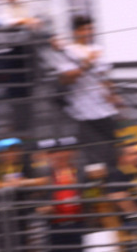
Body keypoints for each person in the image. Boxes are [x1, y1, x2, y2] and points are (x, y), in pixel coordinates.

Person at [52, 14, 121, 163]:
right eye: (85, 29)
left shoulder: (97, 49)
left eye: (91, 28)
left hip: (105, 109)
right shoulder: (68, 51)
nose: (89, 32)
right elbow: (66, 78)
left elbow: (104, 77)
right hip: (84, 111)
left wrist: (114, 96)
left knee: (112, 150)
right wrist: (87, 63)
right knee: (92, 153)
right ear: (76, 32)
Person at [0, 0, 44, 133]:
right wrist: (24, 21)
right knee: (14, 90)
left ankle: (25, 125)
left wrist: (34, 23)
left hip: (29, 48)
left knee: (28, 88)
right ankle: (18, 125)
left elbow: (44, 19)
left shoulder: (33, 0)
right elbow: (3, 21)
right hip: (10, 50)